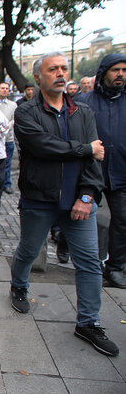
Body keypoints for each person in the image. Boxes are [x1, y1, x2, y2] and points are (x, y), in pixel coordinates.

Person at [10, 52, 119, 356]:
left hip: (79, 202)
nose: (60, 73)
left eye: (63, 68)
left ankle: (88, 322)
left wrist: (87, 196)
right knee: (29, 250)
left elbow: (96, 159)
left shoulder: (82, 112)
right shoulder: (27, 112)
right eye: (52, 69)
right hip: (39, 199)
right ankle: (19, 284)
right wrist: (84, 149)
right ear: (38, 77)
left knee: (89, 263)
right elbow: (43, 147)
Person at [79, 53, 126, 288]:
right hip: (91, 171)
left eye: (124, 70)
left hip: (121, 170)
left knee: (122, 219)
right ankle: (89, 261)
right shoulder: (85, 101)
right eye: (115, 70)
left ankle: (115, 266)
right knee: (83, 215)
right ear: (103, 72)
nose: (120, 74)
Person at [0, 82, 18, 194]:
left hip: (8, 139)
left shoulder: (13, 105)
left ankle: (6, 184)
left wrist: (6, 126)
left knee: (7, 163)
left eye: (7, 88)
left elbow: (14, 119)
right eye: (2, 88)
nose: (5, 90)